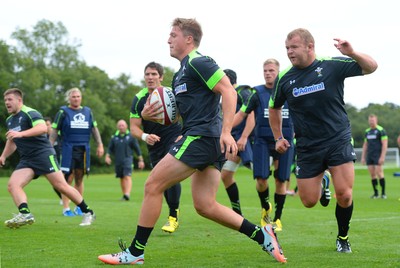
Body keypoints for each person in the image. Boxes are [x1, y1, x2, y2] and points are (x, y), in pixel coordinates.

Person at [98, 18, 286, 264]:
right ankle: (262, 235)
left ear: (188, 39)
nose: (168, 40)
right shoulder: (179, 75)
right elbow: (173, 116)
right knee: (205, 205)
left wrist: (227, 131)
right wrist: (147, 115)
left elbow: (228, 91)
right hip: (202, 139)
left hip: (202, 137)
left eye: (173, 35)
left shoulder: (199, 62)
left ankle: (135, 252)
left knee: (152, 185)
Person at [268, 28, 378, 253]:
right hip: (308, 146)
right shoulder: (285, 78)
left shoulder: (331, 65)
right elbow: (274, 108)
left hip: (337, 138)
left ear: (310, 47)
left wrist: (352, 53)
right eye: (287, 48)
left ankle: (342, 237)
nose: (289, 52)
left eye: (294, 47)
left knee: (345, 195)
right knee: (308, 201)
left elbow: (372, 67)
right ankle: (323, 180)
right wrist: (278, 137)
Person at [1, 88, 96, 228]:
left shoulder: (30, 113)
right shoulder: (10, 120)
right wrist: (3, 156)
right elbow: (12, 140)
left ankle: (88, 212)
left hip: (44, 154)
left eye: (10, 100)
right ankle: (25, 214)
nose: (7, 103)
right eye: (5, 100)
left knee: (61, 186)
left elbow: (42, 128)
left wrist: (21, 134)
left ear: (19, 100)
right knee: (13, 185)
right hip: (27, 159)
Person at [232, 59, 296, 232]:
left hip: (285, 141)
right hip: (262, 141)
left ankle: (278, 218)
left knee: (281, 180)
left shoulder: (288, 90)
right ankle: (265, 208)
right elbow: (242, 114)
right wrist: (224, 129)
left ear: (278, 72)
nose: (268, 73)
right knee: (261, 179)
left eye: (271, 70)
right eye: (265, 70)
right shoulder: (257, 93)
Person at [129, 61, 184, 234]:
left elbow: (187, 113)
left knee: (171, 175)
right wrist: (145, 136)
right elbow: (134, 128)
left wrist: (184, 133)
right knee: (161, 181)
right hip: (154, 143)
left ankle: (173, 216)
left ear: (161, 77)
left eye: (154, 74)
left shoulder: (171, 93)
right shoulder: (139, 98)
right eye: (147, 74)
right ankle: (171, 214)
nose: (150, 77)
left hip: (173, 138)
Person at [50, 87, 104, 217]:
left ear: (81, 98)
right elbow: (54, 130)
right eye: (73, 96)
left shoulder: (88, 112)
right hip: (68, 148)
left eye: (78, 96)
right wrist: (49, 146)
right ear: (69, 98)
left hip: (84, 149)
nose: (76, 99)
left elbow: (94, 129)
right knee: (67, 179)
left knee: (79, 178)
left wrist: (100, 145)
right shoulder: (63, 112)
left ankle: (79, 207)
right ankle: (66, 208)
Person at [221, 69, 254, 216]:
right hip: (234, 140)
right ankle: (237, 212)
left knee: (261, 176)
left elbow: (251, 112)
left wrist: (245, 136)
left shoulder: (242, 92)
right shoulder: (225, 95)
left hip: (247, 140)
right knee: (226, 175)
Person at [105, 119, 145, 201]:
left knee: (127, 176)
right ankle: (124, 195)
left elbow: (137, 149)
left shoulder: (131, 137)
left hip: (128, 160)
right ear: (117, 127)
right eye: (119, 125)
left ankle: (127, 194)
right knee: (121, 177)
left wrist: (141, 160)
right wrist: (107, 156)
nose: (121, 127)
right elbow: (109, 149)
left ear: (126, 126)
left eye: (123, 125)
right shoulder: (114, 138)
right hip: (118, 161)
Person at [361, 114, 388, 199]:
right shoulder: (367, 131)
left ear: (376, 120)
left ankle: (383, 193)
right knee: (372, 174)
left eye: (373, 120)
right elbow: (365, 145)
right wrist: (363, 157)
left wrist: (382, 156)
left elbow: (384, 144)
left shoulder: (381, 130)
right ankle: (376, 193)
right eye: (370, 120)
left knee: (379, 173)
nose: (371, 122)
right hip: (370, 155)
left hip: (378, 155)